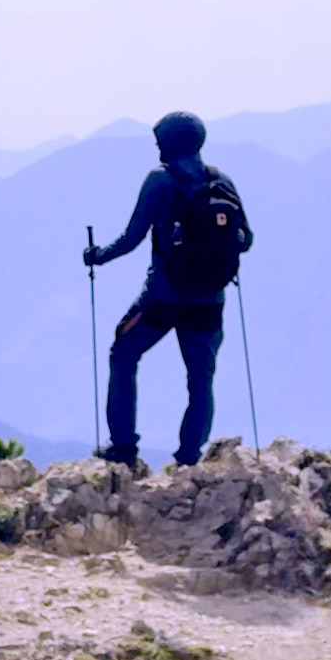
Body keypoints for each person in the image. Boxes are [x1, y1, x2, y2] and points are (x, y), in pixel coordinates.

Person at [83, 111, 253, 467]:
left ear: (171, 142)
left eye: (160, 139)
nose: (156, 145)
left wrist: (97, 256)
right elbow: (246, 239)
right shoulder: (221, 181)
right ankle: (189, 459)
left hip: (163, 297)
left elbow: (132, 238)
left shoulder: (159, 181)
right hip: (209, 302)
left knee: (123, 353)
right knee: (201, 379)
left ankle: (123, 448)